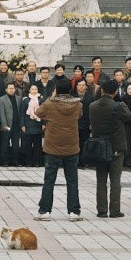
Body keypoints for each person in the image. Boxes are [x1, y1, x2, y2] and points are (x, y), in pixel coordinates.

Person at [33, 80, 83, 222]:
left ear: (56, 90)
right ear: (70, 90)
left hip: (53, 147)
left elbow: (38, 112)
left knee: (49, 179)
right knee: (72, 180)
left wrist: (51, 97)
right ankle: (74, 211)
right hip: (72, 147)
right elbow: (80, 115)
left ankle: (44, 211)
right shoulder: (77, 104)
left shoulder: (50, 104)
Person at [88, 80, 130, 218]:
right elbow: (128, 117)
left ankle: (101, 210)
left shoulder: (92, 106)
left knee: (101, 180)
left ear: (101, 91)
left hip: (99, 147)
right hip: (116, 147)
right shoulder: (118, 106)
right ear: (116, 92)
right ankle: (115, 210)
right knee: (115, 180)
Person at [0, 81, 23, 166]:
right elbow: (1, 113)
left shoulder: (18, 98)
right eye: (9, 88)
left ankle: (15, 160)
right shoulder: (1, 99)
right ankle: (5, 160)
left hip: (16, 125)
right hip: (7, 125)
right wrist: (4, 124)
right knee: (5, 144)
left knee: (16, 144)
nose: (11, 90)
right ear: (6, 89)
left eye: (13, 88)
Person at [21, 84, 44, 167]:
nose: (34, 91)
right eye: (32, 89)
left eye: (35, 89)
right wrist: (22, 125)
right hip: (28, 124)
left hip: (38, 124)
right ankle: (28, 162)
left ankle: (37, 162)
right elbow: (22, 113)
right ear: (29, 91)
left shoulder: (41, 100)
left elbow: (44, 113)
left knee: (37, 146)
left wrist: (44, 124)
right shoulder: (25, 100)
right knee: (28, 145)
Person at [75, 79, 93, 151]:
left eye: (83, 85)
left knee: (85, 144)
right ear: (76, 86)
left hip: (86, 124)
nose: (81, 87)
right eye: (79, 85)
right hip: (75, 124)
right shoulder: (72, 97)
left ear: (86, 87)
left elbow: (92, 112)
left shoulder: (91, 98)